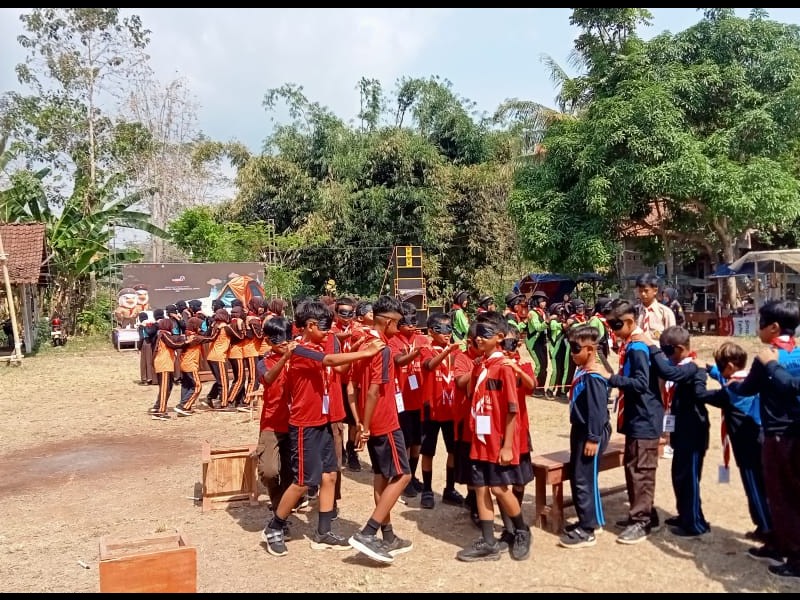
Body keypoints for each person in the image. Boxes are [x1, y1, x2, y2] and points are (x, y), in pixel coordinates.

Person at [261, 300, 385, 558]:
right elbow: (329, 360)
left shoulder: (320, 345)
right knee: (304, 481)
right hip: (305, 424)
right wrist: (366, 353)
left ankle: (323, 531)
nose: (329, 332)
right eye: (325, 328)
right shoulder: (299, 349)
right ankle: (275, 526)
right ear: (310, 326)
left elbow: (339, 367)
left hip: (325, 420)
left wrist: (357, 347)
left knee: (330, 475)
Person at [726, 299, 800, 579]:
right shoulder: (799, 352)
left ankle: (792, 556)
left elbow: (747, 389)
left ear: (774, 327)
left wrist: (731, 383)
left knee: (780, 496)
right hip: (796, 432)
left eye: (760, 323)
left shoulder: (768, 356)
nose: (758, 329)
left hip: (778, 436)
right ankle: (780, 543)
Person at [455, 311, 531, 562]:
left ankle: (521, 531)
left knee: (499, 488)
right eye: (477, 333)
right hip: (479, 438)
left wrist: (507, 445)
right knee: (480, 488)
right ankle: (488, 542)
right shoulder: (480, 365)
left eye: (485, 334)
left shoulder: (504, 368)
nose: (478, 338)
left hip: (497, 440)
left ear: (499, 337)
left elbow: (512, 409)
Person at [590, 298, 663, 544]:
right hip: (635, 417)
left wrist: (611, 379)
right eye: (609, 325)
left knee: (641, 470)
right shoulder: (630, 344)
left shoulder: (638, 347)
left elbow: (641, 383)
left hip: (645, 417)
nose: (612, 330)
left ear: (630, 321)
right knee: (632, 467)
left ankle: (642, 521)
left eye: (616, 325)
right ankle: (643, 513)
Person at [348, 295, 414, 563]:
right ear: (386, 322)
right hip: (384, 420)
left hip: (370, 420)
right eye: (397, 323)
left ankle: (388, 536)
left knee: (381, 476)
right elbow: (373, 391)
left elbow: (352, 387)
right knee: (403, 476)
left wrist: (360, 422)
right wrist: (365, 425)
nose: (399, 327)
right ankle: (368, 532)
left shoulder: (363, 343)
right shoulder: (382, 350)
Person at [699, 342, 771, 544]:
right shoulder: (749, 380)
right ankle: (767, 525)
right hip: (762, 439)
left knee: (754, 487)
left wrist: (697, 378)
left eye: (720, 366)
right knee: (765, 485)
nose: (719, 370)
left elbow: (704, 395)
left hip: (747, 446)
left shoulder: (731, 391)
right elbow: (724, 377)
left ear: (730, 366)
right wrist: (708, 368)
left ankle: (767, 531)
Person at [644, 325, 711, 537]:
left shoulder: (693, 367)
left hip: (693, 432)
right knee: (680, 476)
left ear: (680, 348)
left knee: (690, 479)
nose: (665, 356)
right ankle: (685, 514)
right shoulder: (681, 366)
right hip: (680, 431)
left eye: (667, 351)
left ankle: (695, 523)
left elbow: (670, 372)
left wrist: (652, 348)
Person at [559, 324, 611, 549]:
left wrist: (593, 438)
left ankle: (588, 529)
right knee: (579, 475)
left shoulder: (594, 376)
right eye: (570, 347)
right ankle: (588, 520)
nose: (572, 353)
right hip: (580, 429)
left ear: (590, 349)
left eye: (576, 348)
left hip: (590, 431)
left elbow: (597, 411)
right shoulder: (582, 370)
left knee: (584, 478)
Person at [418, 312, 470, 509]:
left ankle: (449, 489)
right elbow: (430, 365)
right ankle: (427, 490)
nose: (447, 333)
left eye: (449, 328)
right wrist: (447, 351)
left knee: (453, 450)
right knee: (428, 451)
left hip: (451, 410)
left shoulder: (457, 353)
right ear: (431, 332)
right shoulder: (426, 349)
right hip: (431, 409)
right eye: (441, 329)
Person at [255, 317, 297, 534]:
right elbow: (269, 379)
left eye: (286, 337)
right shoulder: (264, 362)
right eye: (278, 339)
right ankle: (278, 504)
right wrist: (285, 358)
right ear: (268, 341)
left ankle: (281, 515)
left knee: (291, 471)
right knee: (269, 471)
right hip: (272, 423)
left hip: (296, 422)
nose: (283, 343)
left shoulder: (299, 357)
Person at [390, 302, 429, 499]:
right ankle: (403, 479)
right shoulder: (394, 340)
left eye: (415, 319)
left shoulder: (422, 339)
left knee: (417, 442)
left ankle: (412, 476)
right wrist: (416, 352)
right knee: (405, 441)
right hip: (402, 398)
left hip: (419, 398)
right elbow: (398, 361)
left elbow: (429, 363)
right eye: (407, 320)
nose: (412, 324)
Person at [635, 273, 677, 460]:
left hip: (661, 363)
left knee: (664, 401)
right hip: (640, 364)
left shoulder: (665, 313)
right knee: (643, 399)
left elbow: (673, 340)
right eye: (640, 291)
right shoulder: (635, 312)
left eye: (646, 290)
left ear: (655, 290)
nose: (643, 294)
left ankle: (666, 440)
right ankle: (647, 436)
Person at [525, 291, 550, 397]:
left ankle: (540, 388)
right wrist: (547, 322)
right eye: (542, 301)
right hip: (534, 343)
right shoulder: (532, 313)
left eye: (545, 301)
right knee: (539, 366)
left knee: (545, 366)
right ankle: (533, 388)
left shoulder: (542, 312)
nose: (544, 303)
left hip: (542, 342)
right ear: (536, 301)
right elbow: (537, 327)